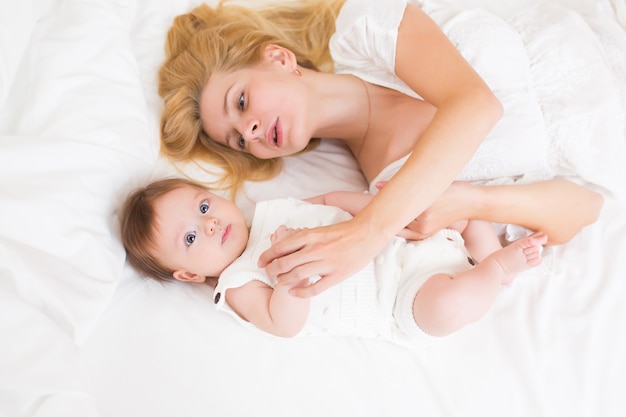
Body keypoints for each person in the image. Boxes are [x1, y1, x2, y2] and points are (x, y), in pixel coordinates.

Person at [157, 0, 604, 297]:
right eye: (238, 140)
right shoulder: (388, 186)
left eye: (241, 102)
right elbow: (583, 208)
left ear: (279, 59)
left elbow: (476, 104)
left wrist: (365, 234)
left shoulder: (364, 27)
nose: (250, 131)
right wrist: (471, 200)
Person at [120, 177, 547, 343]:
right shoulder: (237, 281)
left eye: (204, 207)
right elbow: (283, 324)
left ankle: (482, 246)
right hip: (402, 296)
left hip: (406, 241)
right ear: (190, 273)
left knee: (453, 208)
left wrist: (385, 207)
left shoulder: (271, 209)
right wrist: (288, 276)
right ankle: (498, 269)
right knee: (444, 310)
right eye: (192, 236)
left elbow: (328, 200)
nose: (210, 225)